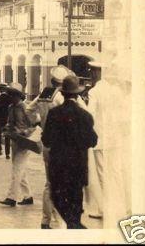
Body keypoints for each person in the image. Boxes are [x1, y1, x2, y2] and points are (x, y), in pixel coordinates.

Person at [25, 65, 81, 229]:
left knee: (50, 183)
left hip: (47, 143)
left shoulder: (45, 94)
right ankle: (61, 218)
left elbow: (29, 110)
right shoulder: (62, 98)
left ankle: (46, 220)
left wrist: (38, 122)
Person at [42, 75, 98, 229]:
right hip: (78, 167)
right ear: (77, 94)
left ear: (63, 93)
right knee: (75, 200)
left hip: (58, 167)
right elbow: (93, 141)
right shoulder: (85, 116)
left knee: (59, 198)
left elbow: (46, 140)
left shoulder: (54, 114)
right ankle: (75, 224)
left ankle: (72, 224)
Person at [0, 82, 37, 208]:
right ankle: (28, 196)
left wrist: (24, 132)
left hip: (25, 142)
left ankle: (12, 197)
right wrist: (7, 128)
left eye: (13, 95)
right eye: (10, 95)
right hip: (15, 141)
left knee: (17, 170)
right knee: (21, 170)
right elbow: (10, 123)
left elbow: (34, 125)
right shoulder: (10, 107)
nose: (11, 97)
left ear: (18, 96)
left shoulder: (26, 108)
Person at [86, 61, 114, 220]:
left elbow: (91, 116)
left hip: (100, 139)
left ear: (97, 73)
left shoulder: (95, 91)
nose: (91, 75)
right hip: (114, 139)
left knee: (101, 174)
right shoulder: (113, 90)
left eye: (92, 72)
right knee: (114, 173)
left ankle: (104, 209)